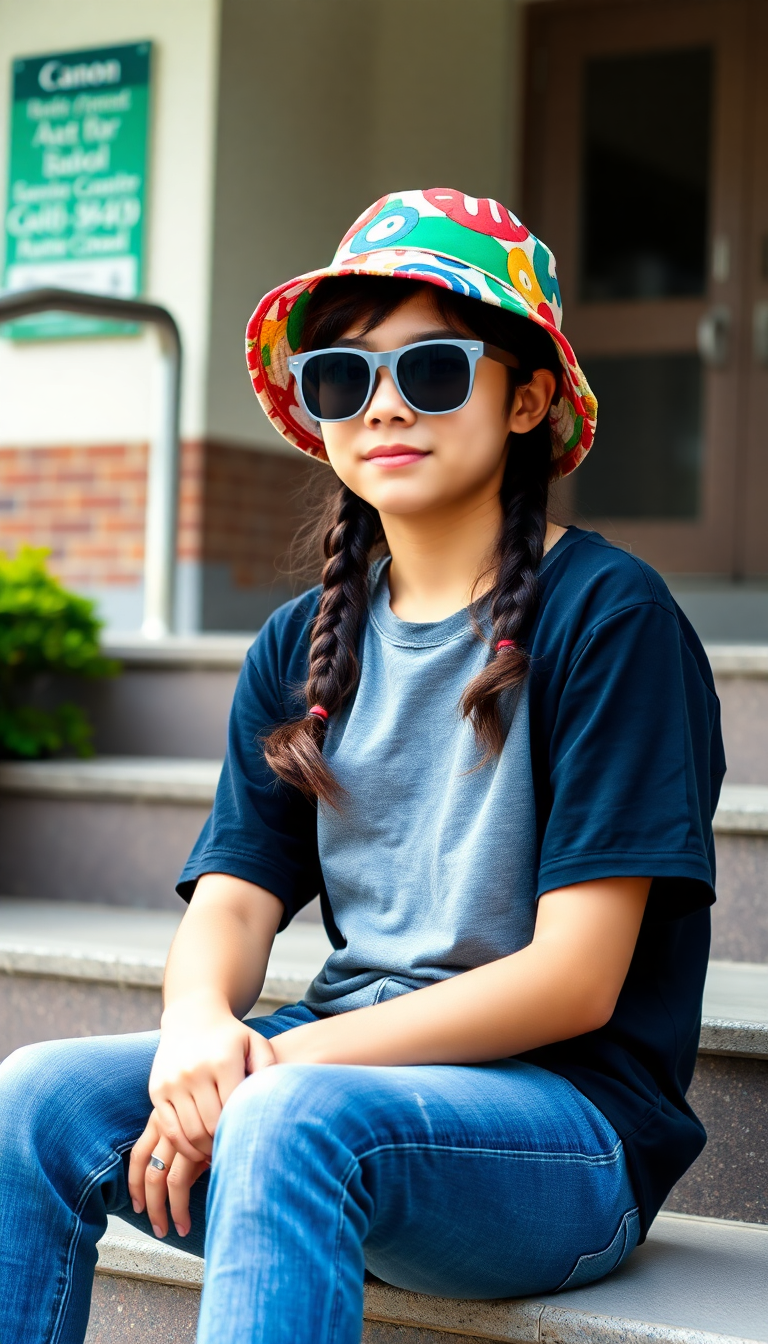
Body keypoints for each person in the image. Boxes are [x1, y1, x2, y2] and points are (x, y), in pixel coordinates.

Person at [0, 189, 725, 1344]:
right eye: (343, 377)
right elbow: (234, 907)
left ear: (526, 396)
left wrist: (273, 1062)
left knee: (289, 1116)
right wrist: (197, 1030)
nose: (383, 404)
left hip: (566, 1138)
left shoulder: (611, 618)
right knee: (29, 1097)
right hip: (341, 1096)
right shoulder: (301, 645)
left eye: (432, 369)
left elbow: (576, 981)